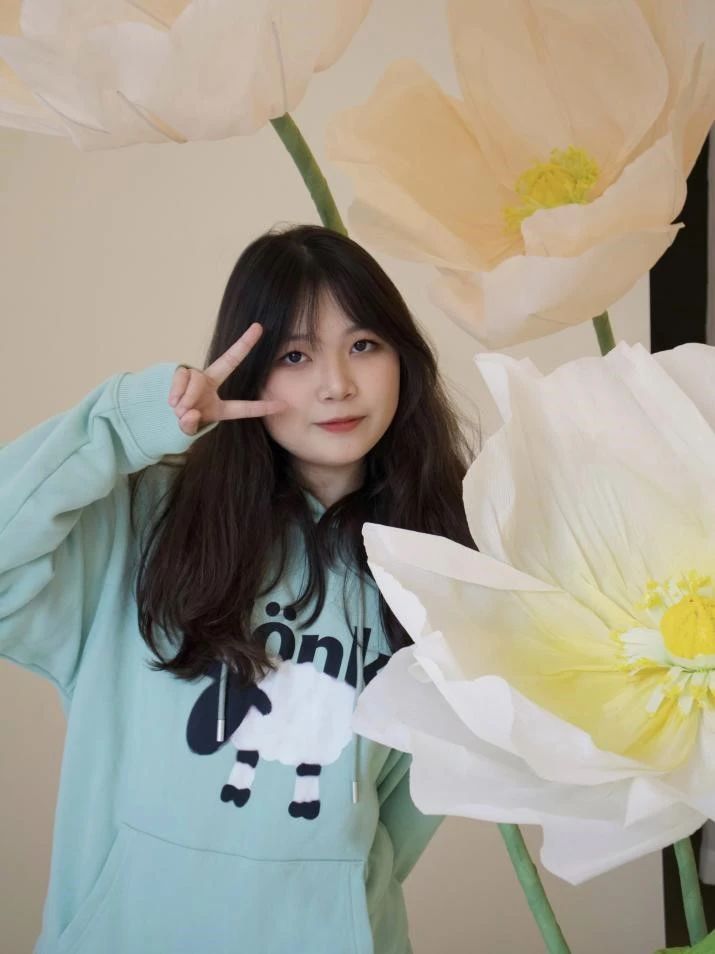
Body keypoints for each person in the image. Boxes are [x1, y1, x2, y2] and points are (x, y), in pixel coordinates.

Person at [0, 223, 477, 954]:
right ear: (249, 372)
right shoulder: (145, 522)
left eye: (363, 344)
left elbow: (410, 804)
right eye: (295, 355)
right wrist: (132, 422)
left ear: (401, 358)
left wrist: (341, 904)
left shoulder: (435, 561)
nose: (336, 385)